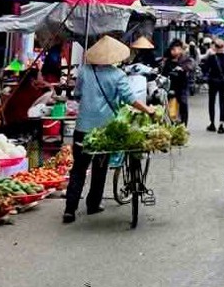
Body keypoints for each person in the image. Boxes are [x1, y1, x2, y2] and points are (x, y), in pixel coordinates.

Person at [64, 36, 157, 224]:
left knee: (79, 168)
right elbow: (130, 99)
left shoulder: (84, 71)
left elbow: (77, 94)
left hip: (82, 128)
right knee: (100, 167)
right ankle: (93, 204)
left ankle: (69, 209)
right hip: (106, 130)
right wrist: (148, 110)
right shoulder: (117, 75)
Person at [202, 39, 224, 133]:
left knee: (211, 103)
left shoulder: (211, 58)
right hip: (223, 83)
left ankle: (212, 123)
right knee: (222, 103)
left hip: (213, 82)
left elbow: (205, 70)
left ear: (214, 47)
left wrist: (206, 78)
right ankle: (221, 124)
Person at [161, 39, 195, 126]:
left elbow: (191, 65)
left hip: (182, 85)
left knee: (183, 104)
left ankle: (184, 124)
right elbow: (163, 71)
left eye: (177, 49)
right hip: (169, 85)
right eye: (173, 49)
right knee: (166, 105)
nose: (175, 51)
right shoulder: (167, 59)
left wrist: (182, 68)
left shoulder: (185, 59)